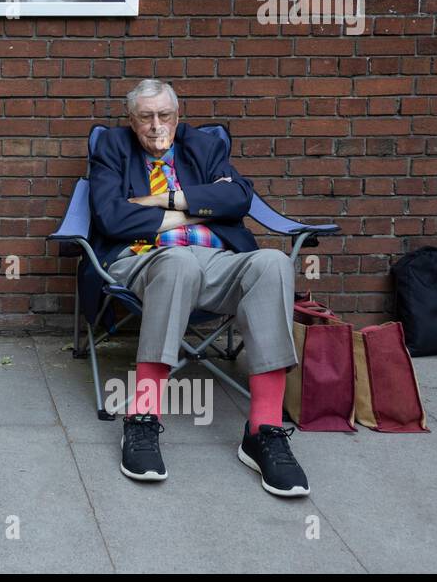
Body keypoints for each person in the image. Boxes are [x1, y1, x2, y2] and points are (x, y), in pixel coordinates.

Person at [87, 79, 310, 497]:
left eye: (165, 116)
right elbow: (111, 219)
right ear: (131, 121)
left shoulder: (203, 147)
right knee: (177, 264)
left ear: (177, 115)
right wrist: (200, 206)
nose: (156, 126)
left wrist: (159, 202)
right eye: (145, 117)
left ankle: (263, 430)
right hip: (145, 261)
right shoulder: (113, 149)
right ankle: (142, 417)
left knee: (273, 263)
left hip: (219, 262)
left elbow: (239, 199)